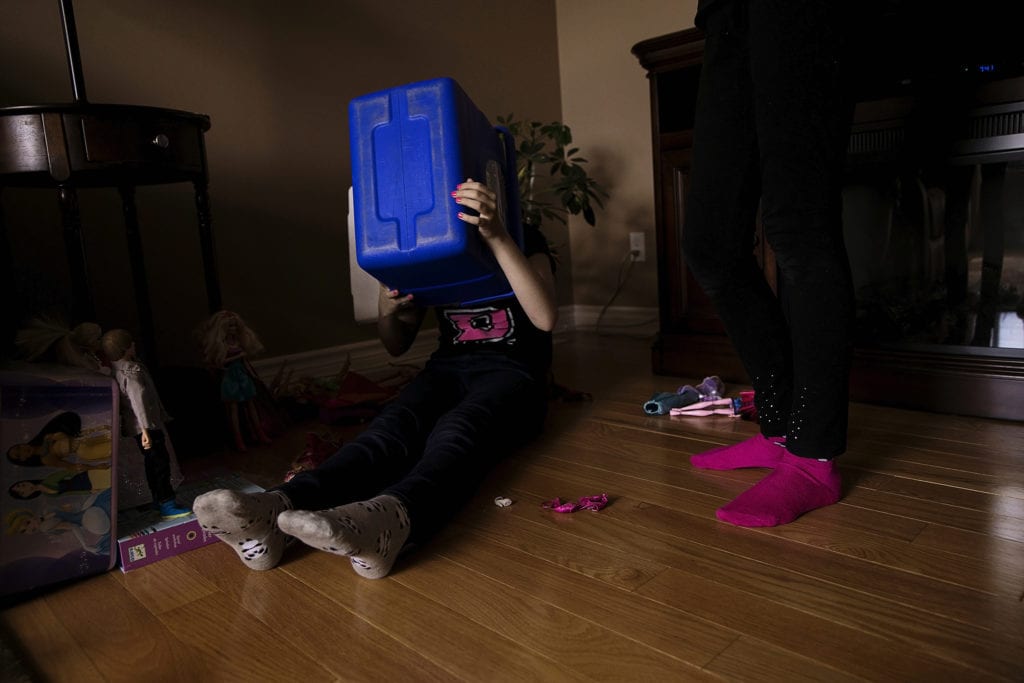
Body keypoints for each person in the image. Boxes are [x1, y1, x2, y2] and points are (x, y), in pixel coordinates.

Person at [194, 177, 557, 578]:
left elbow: (544, 317)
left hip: (514, 374)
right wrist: (388, 305)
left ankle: (396, 519)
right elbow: (396, 344)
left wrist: (497, 235)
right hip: (448, 368)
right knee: (390, 427)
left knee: (459, 429)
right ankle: (278, 510)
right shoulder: (430, 244)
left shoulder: (524, 237)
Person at [682, 0, 856, 526]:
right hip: (725, 12)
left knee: (799, 226)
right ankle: (779, 428)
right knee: (710, 244)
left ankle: (812, 457)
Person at [100, 328, 191, 520]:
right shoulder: (131, 371)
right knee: (160, 464)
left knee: (152, 463)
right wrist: (145, 430)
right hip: (147, 426)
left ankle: (158, 498)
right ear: (125, 348)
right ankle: (166, 501)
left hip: (140, 426)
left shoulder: (117, 370)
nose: (134, 345)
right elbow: (138, 402)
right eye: (130, 343)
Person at [199, 310, 273, 452]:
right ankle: (239, 439)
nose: (233, 329)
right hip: (230, 378)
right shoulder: (222, 346)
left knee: (251, 406)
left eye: (234, 326)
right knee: (233, 410)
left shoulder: (237, 342)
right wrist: (238, 356)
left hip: (242, 377)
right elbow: (220, 362)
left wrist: (253, 375)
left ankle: (260, 433)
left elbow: (245, 363)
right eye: (230, 326)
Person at [6, 411, 112, 471]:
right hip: (86, 451)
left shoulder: (47, 438)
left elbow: (76, 435)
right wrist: (96, 467)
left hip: (88, 441)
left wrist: (99, 428)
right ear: (23, 459)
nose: (22, 450)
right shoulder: (46, 459)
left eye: (19, 447)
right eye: (19, 454)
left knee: (113, 439)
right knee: (112, 448)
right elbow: (72, 466)